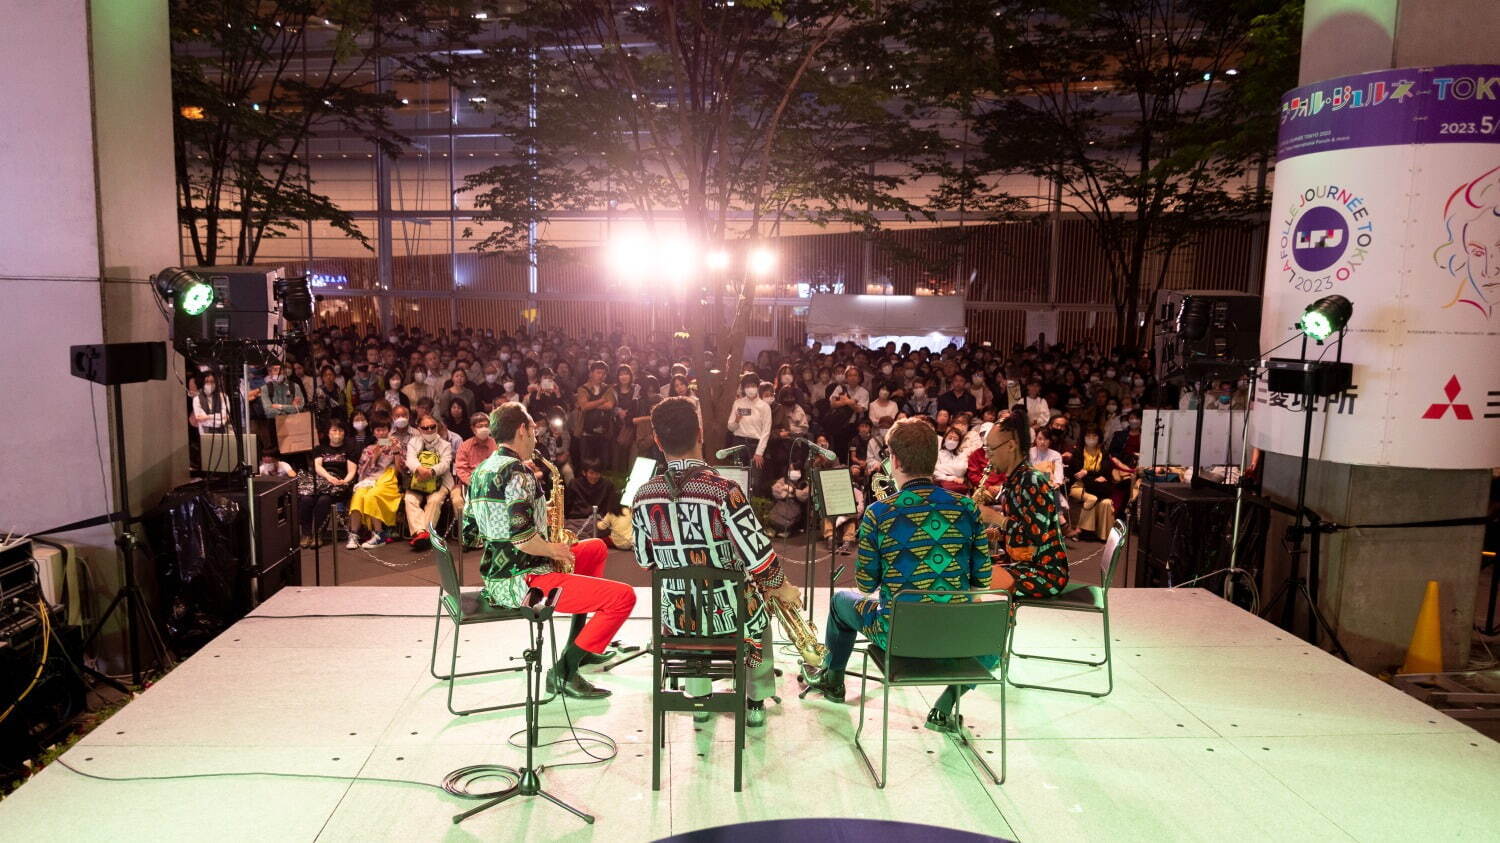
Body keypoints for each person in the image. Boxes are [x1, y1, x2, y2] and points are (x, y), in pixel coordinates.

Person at [800, 417, 992, 734]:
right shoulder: (966, 508)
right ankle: (945, 708)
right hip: (960, 636)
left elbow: (865, 585)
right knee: (999, 623)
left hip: (897, 635)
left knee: (839, 602)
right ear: (933, 458)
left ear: (896, 460)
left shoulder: (880, 512)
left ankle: (833, 680)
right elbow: (982, 578)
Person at [630, 397, 803, 728]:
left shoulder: (643, 496)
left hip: (678, 619)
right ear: (699, 434)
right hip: (729, 618)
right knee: (759, 605)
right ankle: (754, 700)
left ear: (657, 440)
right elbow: (757, 555)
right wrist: (782, 588)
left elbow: (644, 559)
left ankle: (699, 699)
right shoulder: (725, 490)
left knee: (691, 603)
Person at [463, 402, 635, 699]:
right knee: (623, 597)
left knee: (593, 548)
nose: (536, 436)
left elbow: (470, 531)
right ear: (521, 429)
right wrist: (553, 549)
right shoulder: (517, 473)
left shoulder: (482, 469)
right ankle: (564, 672)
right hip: (524, 581)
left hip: (497, 575)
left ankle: (581, 646)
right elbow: (523, 539)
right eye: (533, 429)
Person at [982, 412, 1070, 598]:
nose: (987, 457)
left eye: (990, 450)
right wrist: (987, 533)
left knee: (975, 580)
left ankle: (996, 625)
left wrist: (994, 518)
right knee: (970, 566)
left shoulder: (1032, 480)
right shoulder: (1015, 479)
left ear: (1011, 446)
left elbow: (1033, 538)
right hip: (1022, 563)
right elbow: (1017, 530)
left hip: (1044, 573)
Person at [348, 416, 404, 548]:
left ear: (389, 430)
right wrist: (375, 456)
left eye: (384, 430)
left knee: (372, 495)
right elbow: (362, 472)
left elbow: (400, 470)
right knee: (358, 495)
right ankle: (354, 534)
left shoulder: (397, 444)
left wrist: (396, 452)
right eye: (378, 430)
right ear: (373, 432)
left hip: (388, 479)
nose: (381, 433)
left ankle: (379, 534)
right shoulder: (368, 448)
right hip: (369, 479)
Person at [300, 421, 356, 547]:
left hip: (338, 484)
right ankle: (306, 533)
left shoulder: (349, 450)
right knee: (306, 500)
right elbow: (317, 466)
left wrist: (344, 481)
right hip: (321, 480)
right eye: (334, 430)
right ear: (328, 433)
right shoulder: (320, 449)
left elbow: (352, 470)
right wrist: (328, 477)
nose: (338, 434)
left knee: (323, 500)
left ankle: (319, 534)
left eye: (340, 431)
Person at [404, 413, 454, 550]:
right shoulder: (413, 442)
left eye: (432, 427)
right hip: (418, 479)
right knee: (409, 499)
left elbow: (445, 463)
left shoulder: (445, 445)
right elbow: (410, 460)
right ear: (419, 429)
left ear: (437, 426)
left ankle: (424, 534)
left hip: (440, 480)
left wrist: (431, 471)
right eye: (425, 428)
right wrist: (420, 469)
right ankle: (421, 532)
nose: (429, 430)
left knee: (435, 500)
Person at [1066, 427, 1117, 541]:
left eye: (1094, 436)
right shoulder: (1078, 452)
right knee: (1092, 499)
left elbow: (1105, 472)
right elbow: (1076, 474)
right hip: (1079, 486)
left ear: (1099, 438)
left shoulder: (1103, 453)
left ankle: (1104, 535)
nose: (1091, 439)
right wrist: (1094, 476)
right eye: (1088, 436)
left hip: (1097, 488)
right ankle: (1079, 530)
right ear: (1083, 438)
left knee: (1107, 502)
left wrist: (1087, 472)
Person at [574, 360, 617, 470]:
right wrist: (601, 400)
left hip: (604, 433)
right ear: (591, 373)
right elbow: (584, 407)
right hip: (586, 433)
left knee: (603, 464)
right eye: (598, 372)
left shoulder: (608, 388)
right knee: (586, 464)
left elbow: (609, 405)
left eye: (603, 373)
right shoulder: (583, 389)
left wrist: (590, 404)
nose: (601, 376)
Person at [727, 372, 772, 474]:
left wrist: (759, 453)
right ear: (743, 388)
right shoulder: (738, 403)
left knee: (755, 480)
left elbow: (766, 431)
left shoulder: (764, 406)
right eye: (747, 386)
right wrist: (737, 420)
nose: (750, 388)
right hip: (739, 444)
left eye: (753, 386)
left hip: (755, 445)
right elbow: (730, 427)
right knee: (738, 478)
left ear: (757, 387)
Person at [190, 370, 228, 434]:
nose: (209, 384)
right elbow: (199, 418)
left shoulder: (223, 397)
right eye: (206, 382)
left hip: (221, 431)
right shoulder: (197, 399)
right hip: (204, 432)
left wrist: (207, 417)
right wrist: (217, 418)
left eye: (212, 382)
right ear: (203, 383)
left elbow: (225, 416)